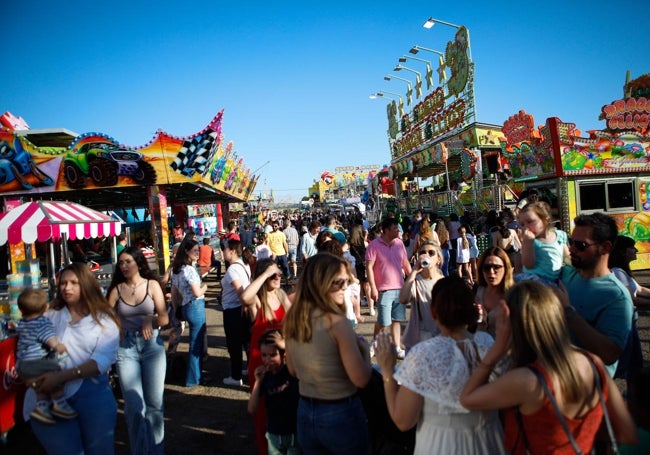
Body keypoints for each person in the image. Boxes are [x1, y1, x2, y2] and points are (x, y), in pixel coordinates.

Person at [460, 281, 638, 453]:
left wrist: (497, 348)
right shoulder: (592, 362)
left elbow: (467, 398)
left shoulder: (525, 380)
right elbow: (627, 433)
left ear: (514, 324)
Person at [375, 276, 506, 454]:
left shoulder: (424, 354)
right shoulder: (488, 345)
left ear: (433, 311)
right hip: (488, 443)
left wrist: (387, 371)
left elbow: (403, 420)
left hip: (440, 446)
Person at [26, 262, 121, 454]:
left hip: (92, 394)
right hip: (52, 396)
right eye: (63, 283)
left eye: (73, 283)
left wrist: (61, 377)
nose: (66, 287)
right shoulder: (51, 314)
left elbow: (100, 361)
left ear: (86, 285)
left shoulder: (105, 319)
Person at [284, 253, 372, 454]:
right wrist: (366, 353)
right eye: (339, 283)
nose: (345, 287)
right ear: (321, 283)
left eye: (347, 282)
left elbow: (292, 369)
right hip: (340, 411)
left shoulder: (293, 318)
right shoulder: (337, 323)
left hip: (306, 410)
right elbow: (361, 379)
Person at [106, 246, 169, 454]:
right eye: (121, 263)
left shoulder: (152, 285)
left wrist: (149, 319)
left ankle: (156, 450)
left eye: (128, 262)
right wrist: (117, 325)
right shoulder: (116, 289)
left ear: (138, 263)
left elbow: (164, 318)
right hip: (126, 350)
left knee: (154, 406)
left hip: (152, 348)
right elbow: (106, 317)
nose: (124, 266)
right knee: (133, 408)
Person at [560, 212, 634, 377]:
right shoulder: (566, 274)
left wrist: (568, 312)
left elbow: (609, 354)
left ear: (605, 247)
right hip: (557, 380)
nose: (571, 249)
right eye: (571, 242)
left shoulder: (616, 296)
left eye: (581, 245)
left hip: (587, 390)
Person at [241, 257, 292, 454]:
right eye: (274, 275)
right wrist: (264, 274)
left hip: (282, 360)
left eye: (279, 273)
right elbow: (245, 297)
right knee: (262, 412)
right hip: (260, 361)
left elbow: (293, 318)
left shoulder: (280, 294)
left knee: (283, 406)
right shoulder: (257, 300)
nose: (278, 277)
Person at [15, 289, 76, 425]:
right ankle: (59, 402)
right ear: (46, 307)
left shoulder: (22, 323)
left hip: (23, 364)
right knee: (57, 372)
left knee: (40, 384)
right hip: (37, 362)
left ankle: (41, 407)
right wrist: (58, 346)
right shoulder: (43, 322)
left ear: (20, 309)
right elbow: (49, 338)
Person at [248, 329, 301, 455]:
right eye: (264, 355)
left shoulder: (291, 372)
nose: (267, 360)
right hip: (273, 435)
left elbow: (297, 355)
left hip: (294, 434)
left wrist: (285, 344)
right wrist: (257, 382)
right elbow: (252, 408)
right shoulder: (265, 377)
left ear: (284, 355)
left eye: (273, 355)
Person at [366, 217, 412, 359]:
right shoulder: (374, 245)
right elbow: (369, 267)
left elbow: (405, 263)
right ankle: (375, 343)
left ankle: (397, 347)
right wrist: (373, 287)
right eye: (395, 228)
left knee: (397, 320)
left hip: (399, 287)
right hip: (384, 289)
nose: (398, 230)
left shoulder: (399, 244)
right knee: (383, 321)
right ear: (386, 230)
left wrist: (412, 279)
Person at [171, 239, 208, 387]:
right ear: (186, 251)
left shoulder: (176, 270)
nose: (197, 253)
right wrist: (204, 287)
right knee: (195, 345)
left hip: (185, 306)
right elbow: (197, 292)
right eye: (194, 250)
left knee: (195, 344)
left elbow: (174, 293)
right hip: (195, 306)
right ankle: (193, 378)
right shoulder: (189, 270)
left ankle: (196, 376)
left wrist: (176, 309)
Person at [400, 241, 444, 352]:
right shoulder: (415, 280)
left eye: (431, 253)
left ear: (438, 259)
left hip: (439, 337)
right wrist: (414, 271)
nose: (426, 255)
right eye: (423, 252)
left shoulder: (444, 282)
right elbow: (403, 299)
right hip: (417, 339)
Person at [220, 239, 253, 387]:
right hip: (242, 309)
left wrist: (244, 303)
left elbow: (240, 291)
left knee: (234, 345)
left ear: (232, 251)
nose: (223, 252)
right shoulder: (243, 265)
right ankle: (250, 369)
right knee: (246, 342)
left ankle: (236, 375)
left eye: (225, 249)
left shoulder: (233, 269)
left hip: (234, 310)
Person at [518, 201, 570, 284]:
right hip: (535, 280)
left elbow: (566, 257)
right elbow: (528, 264)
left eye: (530, 221)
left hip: (554, 280)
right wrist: (528, 243)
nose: (526, 227)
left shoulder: (560, 235)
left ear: (545, 219)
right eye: (522, 224)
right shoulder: (529, 241)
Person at [474, 247, 515, 337]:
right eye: (487, 268)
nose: (491, 273)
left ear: (506, 269)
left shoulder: (513, 296)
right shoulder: (477, 291)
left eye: (497, 267)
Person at [348, 224, 374, 317]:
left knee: (357, 287)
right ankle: (371, 308)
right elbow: (370, 246)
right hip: (364, 266)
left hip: (355, 267)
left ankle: (358, 307)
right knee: (368, 287)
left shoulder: (350, 243)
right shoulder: (364, 242)